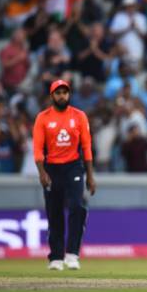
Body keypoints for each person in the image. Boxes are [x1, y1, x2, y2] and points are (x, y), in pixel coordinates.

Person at [33, 80, 96, 271]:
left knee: (77, 206)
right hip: (52, 168)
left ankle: (72, 254)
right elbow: (37, 149)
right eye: (58, 93)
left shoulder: (79, 116)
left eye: (65, 92)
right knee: (54, 212)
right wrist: (42, 172)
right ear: (52, 96)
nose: (62, 96)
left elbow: (86, 146)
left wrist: (90, 176)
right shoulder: (43, 118)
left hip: (73, 167)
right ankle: (56, 257)